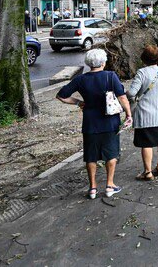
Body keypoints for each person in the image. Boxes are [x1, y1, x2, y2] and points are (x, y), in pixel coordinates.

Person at [56, 49, 133, 199]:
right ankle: (110, 186)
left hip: (90, 123)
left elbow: (61, 96)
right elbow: (122, 97)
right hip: (110, 122)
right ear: (103, 63)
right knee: (111, 153)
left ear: (88, 63)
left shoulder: (81, 80)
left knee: (90, 156)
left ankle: (92, 188)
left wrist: (79, 102)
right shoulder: (111, 76)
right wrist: (129, 114)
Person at [127, 45, 158, 181]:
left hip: (145, 115)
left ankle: (147, 172)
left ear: (144, 58)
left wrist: (126, 95)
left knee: (147, 144)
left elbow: (132, 93)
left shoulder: (142, 73)